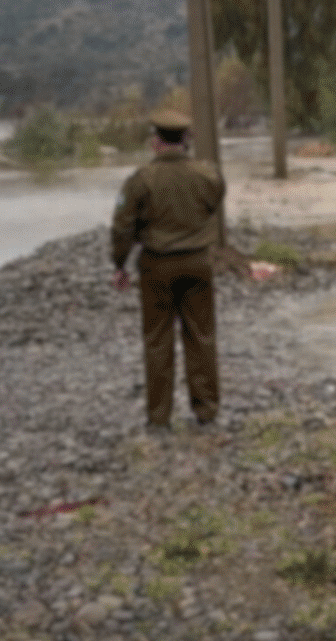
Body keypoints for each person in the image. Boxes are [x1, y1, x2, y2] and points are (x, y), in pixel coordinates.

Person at [111, 109, 225, 431]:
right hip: (198, 263)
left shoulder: (141, 179)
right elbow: (213, 204)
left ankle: (159, 418)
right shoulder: (209, 175)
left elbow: (122, 227)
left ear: (156, 141)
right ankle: (206, 411)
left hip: (157, 266)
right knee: (201, 337)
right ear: (186, 139)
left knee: (158, 340)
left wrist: (120, 264)